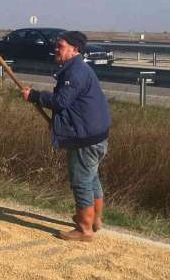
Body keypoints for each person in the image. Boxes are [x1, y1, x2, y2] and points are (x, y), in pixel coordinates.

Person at [22, 31, 112, 241]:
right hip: (95, 135)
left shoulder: (76, 73)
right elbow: (72, 106)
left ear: (74, 49)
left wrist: (34, 96)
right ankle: (95, 220)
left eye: (60, 46)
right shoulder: (77, 69)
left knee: (81, 182)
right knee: (91, 178)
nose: (56, 48)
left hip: (85, 139)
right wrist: (58, 124)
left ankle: (84, 229)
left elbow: (61, 101)